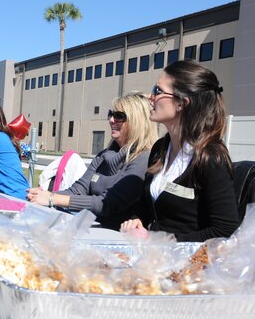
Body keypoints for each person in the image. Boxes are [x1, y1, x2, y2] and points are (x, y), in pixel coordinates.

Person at [120, 61, 240, 241]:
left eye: (157, 91)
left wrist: (160, 243)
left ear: (181, 104)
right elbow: (146, 205)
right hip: (155, 259)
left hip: (189, 264)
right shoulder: (160, 149)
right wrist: (136, 219)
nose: (149, 96)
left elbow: (225, 230)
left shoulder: (210, 158)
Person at [28, 92, 158, 230]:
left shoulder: (143, 158)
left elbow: (108, 203)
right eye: (110, 114)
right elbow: (79, 189)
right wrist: (42, 195)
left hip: (117, 237)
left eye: (119, 116)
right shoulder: (104, 155)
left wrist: (52, 199)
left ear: (136, 121)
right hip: (89, 228)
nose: (111, 120)